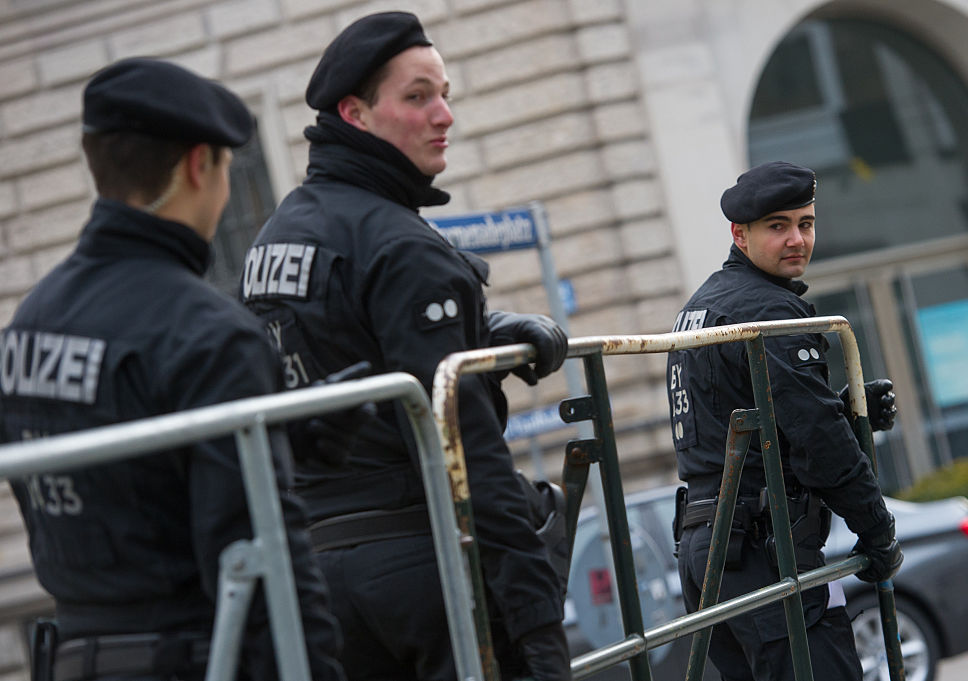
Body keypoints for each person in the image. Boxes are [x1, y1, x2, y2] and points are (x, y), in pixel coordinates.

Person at [238, 11, 571, 681]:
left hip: (319, 582)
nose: (444, 115)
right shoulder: (404, 248)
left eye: (444, 93)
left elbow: (343, 343)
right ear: (355, 113)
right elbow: (470, 456)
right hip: (425, 566)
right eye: (418, 97)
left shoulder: (274, 237)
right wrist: (538, 627)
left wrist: (480, 333)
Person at [0, 58, 344, 681]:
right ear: (197, 166)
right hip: (193, 656)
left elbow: (119, 477)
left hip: (75, 654)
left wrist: (286, 434)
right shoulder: (208, 333)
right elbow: (261, 559)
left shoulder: (32, 319)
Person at [666, 161, 903, 681]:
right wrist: (877, 528)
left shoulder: (702, 305)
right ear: (740, 234)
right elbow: (818, 441)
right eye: (778, 226)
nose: (797, 239)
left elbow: (750, 425)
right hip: (760, 548)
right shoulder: (767, 310)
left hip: (708, 550)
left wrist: (844, 410)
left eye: (806, 223)